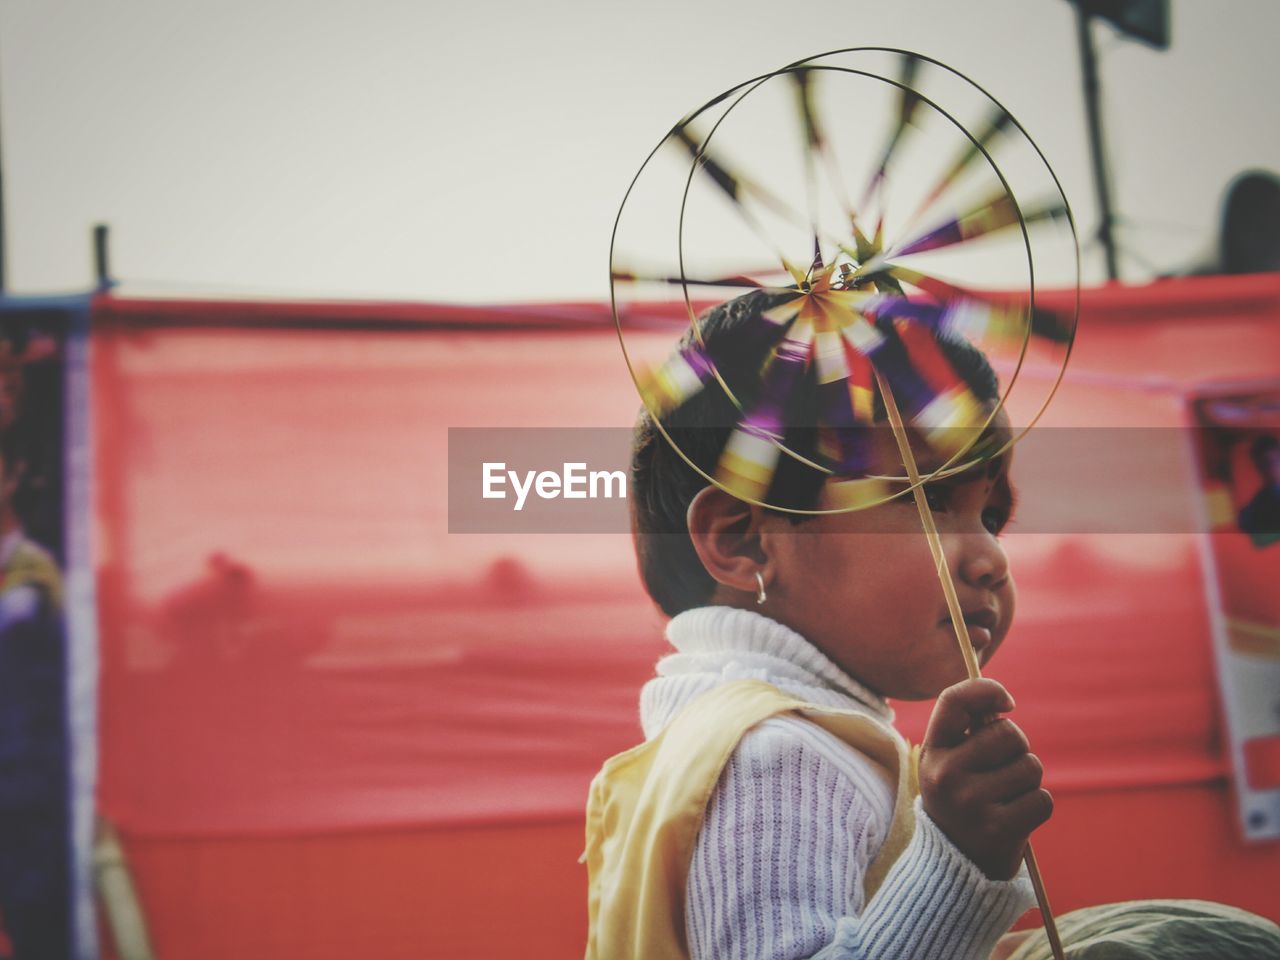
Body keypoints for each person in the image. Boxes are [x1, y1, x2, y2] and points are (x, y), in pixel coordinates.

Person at [583, 289, 1050, 960]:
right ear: (744, 540)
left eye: (991, 516)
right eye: (929, 499)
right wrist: (957, 863)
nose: (989, 559)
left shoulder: (749, 742)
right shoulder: (776, 757)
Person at [1237, 434, 1280, 548]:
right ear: (1258, 467)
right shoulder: (1254, 510)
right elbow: (1259, 543)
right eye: (1266, 463)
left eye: (1276, 460)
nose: (1273, 468)